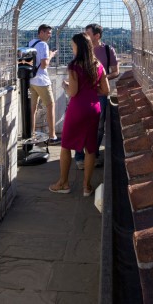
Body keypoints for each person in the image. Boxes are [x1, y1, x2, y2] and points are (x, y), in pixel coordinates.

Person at [50, 33, 110, 196]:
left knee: (66, 146)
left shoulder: (74, 65)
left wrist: (65, 85)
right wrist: (90, 90)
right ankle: (86, 187)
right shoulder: (98, 65)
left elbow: (74, 92)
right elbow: (106, 90)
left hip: (77, 110)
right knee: (90, 149)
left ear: (78, 47)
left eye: (72, 45)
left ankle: (63, 183)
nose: (71, 47)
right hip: (93, 109)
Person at [74, 24, 119, 169]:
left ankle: (92, 155)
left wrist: (102, 79)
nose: (85, 36)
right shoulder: (81, 50)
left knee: (99, 127)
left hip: (100, 95)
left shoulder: (107, 50)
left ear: (97, 36)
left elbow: (115, 71)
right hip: (83, 95)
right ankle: (80, 157)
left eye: (88, 33)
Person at [28, 24, 59, 143]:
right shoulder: (43, 45)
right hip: (42, 80)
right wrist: (51, 55)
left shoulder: (31, 43)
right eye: (48, 33)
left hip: (31, 80)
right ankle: (52, 136)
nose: (50, 35)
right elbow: (44, 64)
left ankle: (31, 134)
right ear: (41, 32)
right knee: (50, 105)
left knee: (33, 108)